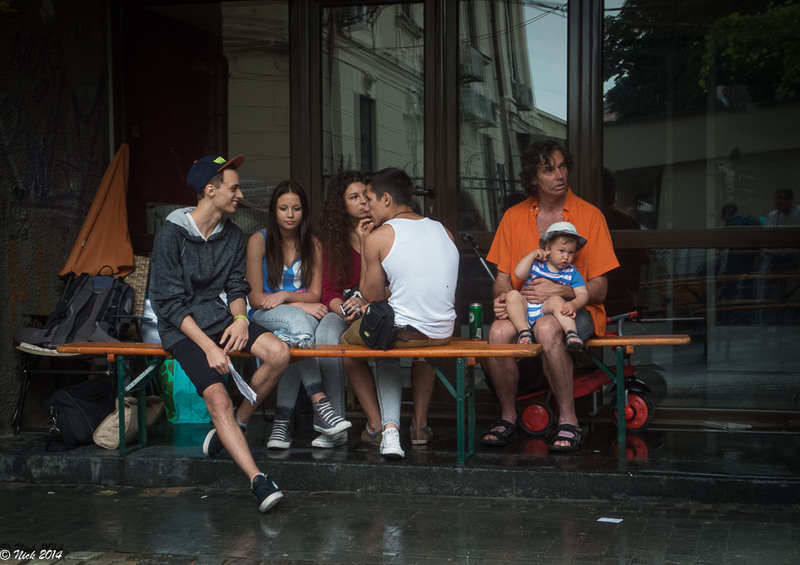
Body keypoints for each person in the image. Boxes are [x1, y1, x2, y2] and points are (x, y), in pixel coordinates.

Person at [150, 154, 289, 512]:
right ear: (210, 191)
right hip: (182, 328)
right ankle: (259, 481)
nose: (240, 195)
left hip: (218, 317)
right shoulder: (170, 235)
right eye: (234, 188)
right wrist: (209, 348)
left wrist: (240, 319)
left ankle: (237, 424)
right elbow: (168, 304)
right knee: (218, 398)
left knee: (279, 353)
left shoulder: (233, 235)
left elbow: (236, 287)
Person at [481, 140, 618, 452]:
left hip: (573, 310)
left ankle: (569, 420)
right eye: (549, 170)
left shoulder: (590, 215)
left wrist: (561, 290)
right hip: (526, 309)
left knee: (547, 328)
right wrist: (502, 298)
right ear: (533, 178)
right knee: (498, 332)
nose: (560, 175)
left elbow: (600, 287)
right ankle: (507, 417)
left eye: (562, 166)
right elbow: (502, 280)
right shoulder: (513, 217)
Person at [316, 171, 443, 448]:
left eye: (367, 196)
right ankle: (336, 421)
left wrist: (367, 301)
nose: (364, 202)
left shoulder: (388, 231)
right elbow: (329, 291)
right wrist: (343, 308)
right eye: (355, 197)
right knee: (328, 333)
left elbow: (395, 287)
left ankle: (386, 426)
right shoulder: (333, 240)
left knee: (380, 336)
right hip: (348, 308)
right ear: (341, 204)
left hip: (383, 308)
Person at [340, 167, 460, 459]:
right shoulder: (443, 230)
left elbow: (371, 296)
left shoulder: (380, 236)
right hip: (443, 332)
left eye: (369, 199)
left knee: (346, 346)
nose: (366, 206)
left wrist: (365, 243)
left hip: (405, 333)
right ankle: (419, 426)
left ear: (386, 199)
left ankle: (378, 426)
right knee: (423, 347)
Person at [246, 181, 351, 450]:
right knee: (298, 326)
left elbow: (315, 294)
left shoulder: (313, 244)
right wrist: (298, 305)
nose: (290, 214)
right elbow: (255, 298)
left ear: (304, 211)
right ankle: (321, 404)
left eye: (296, 208)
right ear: (274, 210)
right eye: (283, 208)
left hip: (299, 317)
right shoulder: (259, 240)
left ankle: (281, 424)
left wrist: (286, 296)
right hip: (265, 314)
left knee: (289, 341)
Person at [505, 222, 589, 353]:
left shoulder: (571, 272)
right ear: (548, 248)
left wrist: (575, 304)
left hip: (547, 311)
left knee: (556, 300)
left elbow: (583, 294)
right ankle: (524, 332)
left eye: (571, 252)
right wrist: (532, 255)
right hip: (525, 309)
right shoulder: (536, 264)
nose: (566, 257)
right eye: (561, 251)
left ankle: (572, 334)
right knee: (512, 295)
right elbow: (518, 274)